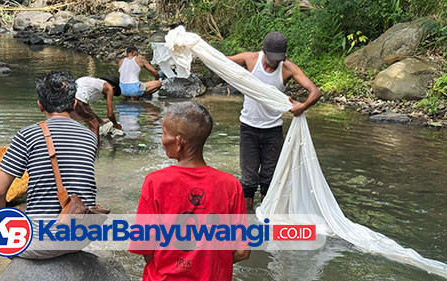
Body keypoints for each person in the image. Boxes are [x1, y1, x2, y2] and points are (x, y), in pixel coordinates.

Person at [129, 102, 250, 280]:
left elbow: (144, 246)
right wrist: (207, 266)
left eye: (164, 133)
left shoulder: (155, 182)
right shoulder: (231, 185)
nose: (162, 140)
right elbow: (242, 252)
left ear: (178, 142)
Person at [0, 71, 98, 259]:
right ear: (74, 105)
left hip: (42, 242)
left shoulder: (27, 135)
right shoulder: (90, 137)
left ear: (40, 105)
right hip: (81, 237)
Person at [228, 31, 321, 209]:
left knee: (269, 178)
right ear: (263, 50)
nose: (273, 63)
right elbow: (221, 62)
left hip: (273, 131)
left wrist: (302, 106)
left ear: (284, 55)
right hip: (248, 127)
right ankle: (247, 219)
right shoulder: (251, 59)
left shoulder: (287, 68)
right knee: (248, 180)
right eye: (271, 58)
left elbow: (315, 92)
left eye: (278, 59)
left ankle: (266, 219)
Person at [71, 75, 122, 143]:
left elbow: (87, 109)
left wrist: (101, 121)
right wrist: (116, 125)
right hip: (78, 99)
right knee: (95, 126)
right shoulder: (109, 88)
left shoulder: (96, 84)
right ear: (113, 87)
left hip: (70, 97)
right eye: (113, 93)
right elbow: (110, 114)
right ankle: (96, 147)